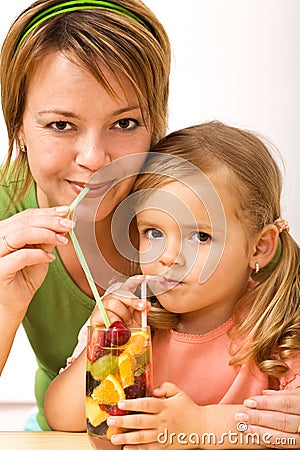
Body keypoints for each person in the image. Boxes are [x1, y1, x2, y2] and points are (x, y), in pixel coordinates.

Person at [44, 122, 300, 448]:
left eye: (200, 236)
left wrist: (199, 425)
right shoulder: (133, 314)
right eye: (153, 232)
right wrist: (103, 345)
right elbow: (62, 418)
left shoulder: (277, 323)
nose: (169, 256)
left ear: (259, 247)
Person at [0, 0, 171, 431]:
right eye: (61, 125)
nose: (95, 159)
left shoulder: (202, 203)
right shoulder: (4, 209)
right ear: (18, 123)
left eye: (126, 123)